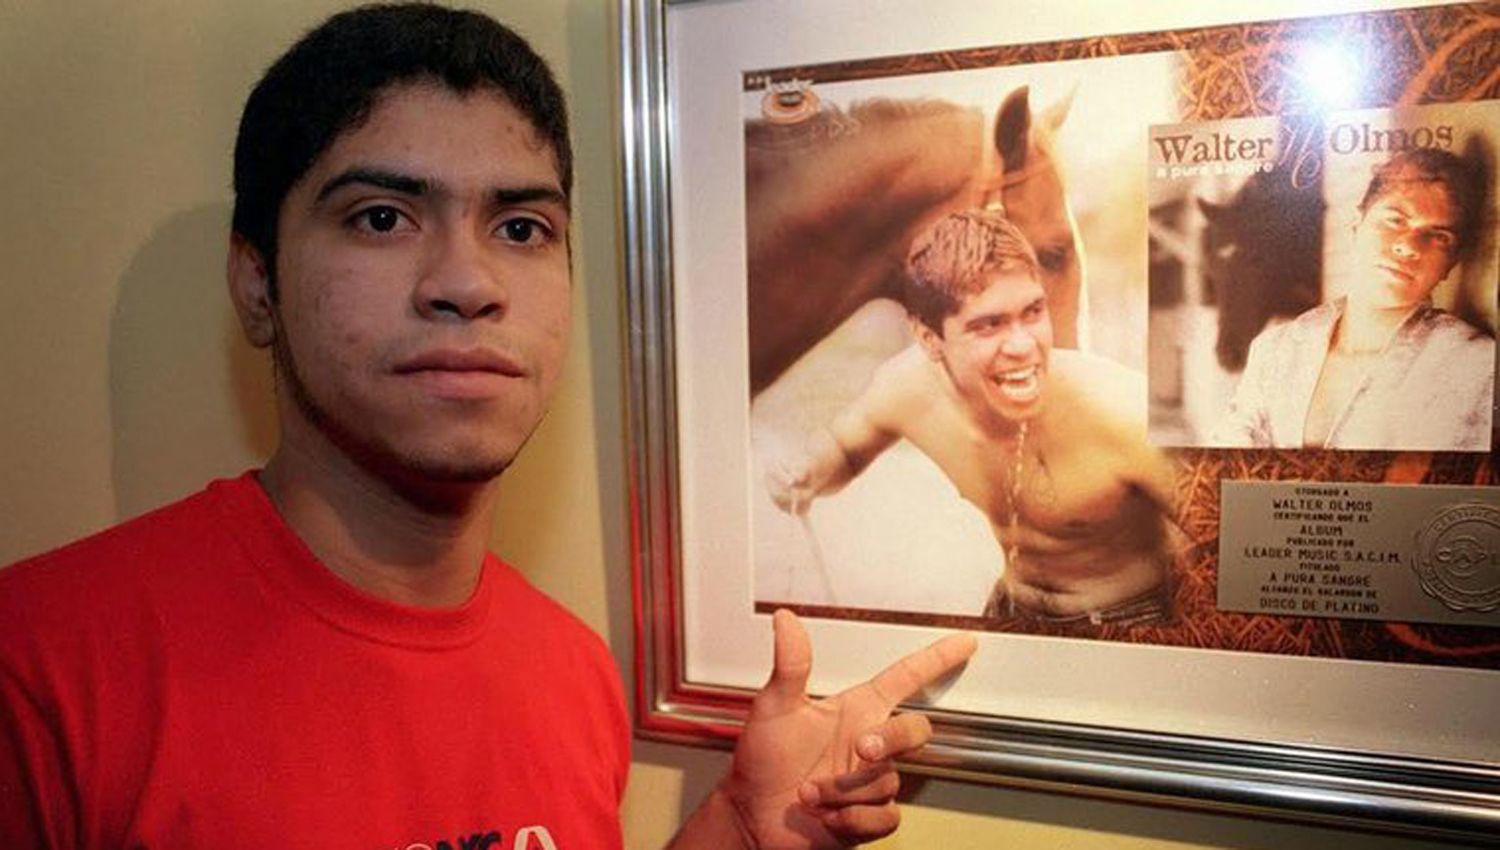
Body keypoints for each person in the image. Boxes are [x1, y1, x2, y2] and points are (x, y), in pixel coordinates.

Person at [0, 5, 977, 849]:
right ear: (256, 282)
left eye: (520, 229)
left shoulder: (569, 671)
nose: (466, 283)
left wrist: (741, 823)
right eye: (382, 217)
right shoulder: (44, 668)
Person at [767, 210, 1177, 625]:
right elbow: (844, 450)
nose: (1022, 346)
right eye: (989, 326)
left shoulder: (1120, 409)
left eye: (1033, 312)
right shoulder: (906, 388)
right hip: (1009, 608)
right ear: (930, 339)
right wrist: (807, 472)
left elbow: (1216, 546)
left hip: (1130, 618)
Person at [1214, 147, 1494, 451]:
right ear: (1357, 224)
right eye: (1395, 220)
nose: (1410, 247)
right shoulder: (1275, 351)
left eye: (1439, 237)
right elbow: (1231, 463)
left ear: (1450, 265)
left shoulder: (1474, 367)